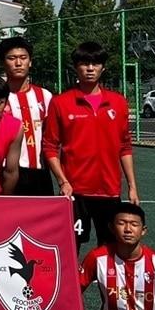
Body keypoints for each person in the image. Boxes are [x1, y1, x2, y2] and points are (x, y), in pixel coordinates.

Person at [43, 41, 137, 248]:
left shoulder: (118, 102)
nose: (90, 68)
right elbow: (50, 146)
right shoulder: (61, 102)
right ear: (76, 67)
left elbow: (125, 146)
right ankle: (74, 282)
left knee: (111, 250)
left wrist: (132, 186)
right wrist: (63, 181)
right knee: (70, 247)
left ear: (103, 67)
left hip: (109, 190)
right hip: (76, 192)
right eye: (85, 64)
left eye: (95, 64)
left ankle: (109, 283)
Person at [0, 36, 55, 195]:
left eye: (23, 58)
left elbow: (52, 137)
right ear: (3, 63)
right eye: (12, 58)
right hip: (5, 170)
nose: (18, 63)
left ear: (30, 62)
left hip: (39, 171)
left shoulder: (45, 96)